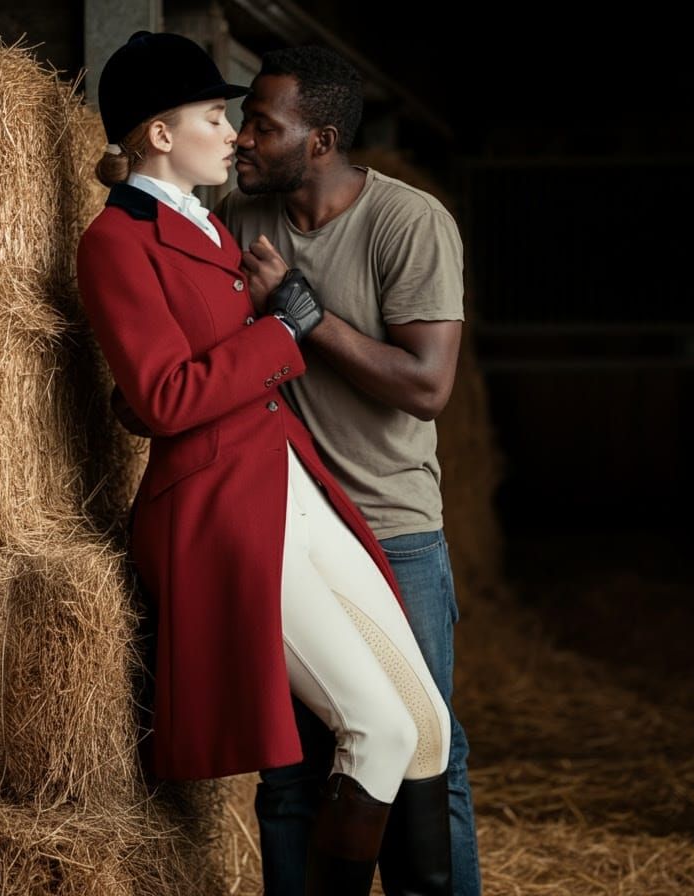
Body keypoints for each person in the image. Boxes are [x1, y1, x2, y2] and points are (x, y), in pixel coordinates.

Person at [76, 32, 453, 896]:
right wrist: (281, 331)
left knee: (425, 722)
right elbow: (169, 397)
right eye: (217, 116)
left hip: (286, 475)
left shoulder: (209, 226)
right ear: (161, 135)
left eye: (238, 118)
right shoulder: (116, 242)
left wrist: (240, 341)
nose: (234, 134)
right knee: (380, 731)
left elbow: (167, 381)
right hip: (222, 505)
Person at [219, 46, 481, 896]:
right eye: (242, 119)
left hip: (392, 531)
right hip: (290, 532)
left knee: (424, 755)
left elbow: (428, 386)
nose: (241, 138)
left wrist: (302, 313)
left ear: (322, 139)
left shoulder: (410, 223)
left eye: (264, 125)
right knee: (291, 771)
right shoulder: (236, 217)